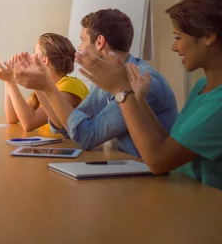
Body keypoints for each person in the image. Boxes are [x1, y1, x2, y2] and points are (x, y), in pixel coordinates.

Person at [75, 0, 222, 189]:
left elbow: (158, 161)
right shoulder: (201, 87)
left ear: (209, 37)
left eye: (178, 37)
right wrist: (139, 101)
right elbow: (167, 143)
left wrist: (122, 91)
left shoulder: (218, 103)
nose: (174, 47)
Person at [13, 9, 178, 157]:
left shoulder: (141, 81)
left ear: (100, 42)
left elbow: (86, 136)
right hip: (127, 167)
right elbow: (66, 128)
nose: (79, 47)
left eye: (82, 40)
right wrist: (41, 85)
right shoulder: (105, 78)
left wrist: (46, 86)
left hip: (153, 180)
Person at [0, 33, 88, 134]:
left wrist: (11, 82)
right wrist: (8, 81)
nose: (31, 56)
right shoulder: (45, 87)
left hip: (65, 148)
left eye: (34, 52)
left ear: (45, 60)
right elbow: (13, 118)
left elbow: (29, 123)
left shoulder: (71, 85)